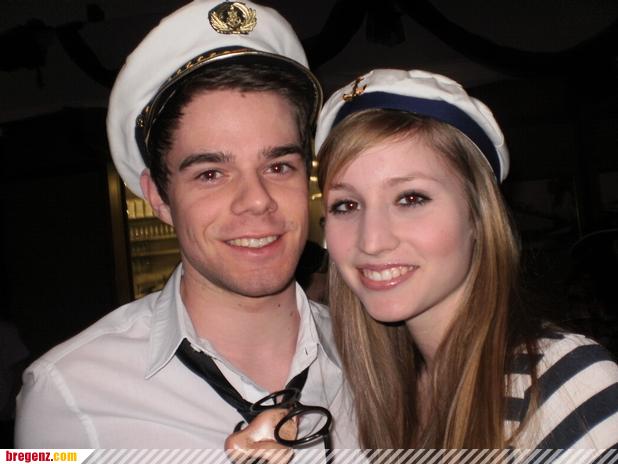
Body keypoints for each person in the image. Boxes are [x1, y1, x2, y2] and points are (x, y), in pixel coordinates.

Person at [15, 0, 357, 449]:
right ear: (159, 197)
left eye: (278, 166)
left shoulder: (376, 361)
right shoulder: (67, 395)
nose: (257, 200)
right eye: (211, 173)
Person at [315, 69, 618, 449]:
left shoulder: (563, 386)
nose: (372, 241)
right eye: (346, 205)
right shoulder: (370, 405)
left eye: (411, 198)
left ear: (477, 216)